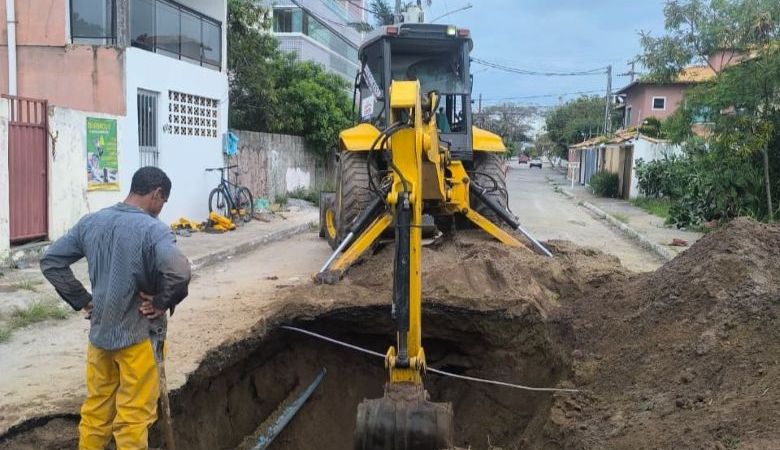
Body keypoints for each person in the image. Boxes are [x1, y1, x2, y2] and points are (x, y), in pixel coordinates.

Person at [40, 167, 191, 450]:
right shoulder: (154, 230)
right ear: (157, 194)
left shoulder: (91, 223)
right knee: (132, 419)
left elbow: (51, 261)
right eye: (163, 202)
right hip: (139, 341)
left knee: (96, 412)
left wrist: (83, 300)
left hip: (100, 339)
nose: (161, 209)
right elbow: (180, 272)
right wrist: (160, 303)